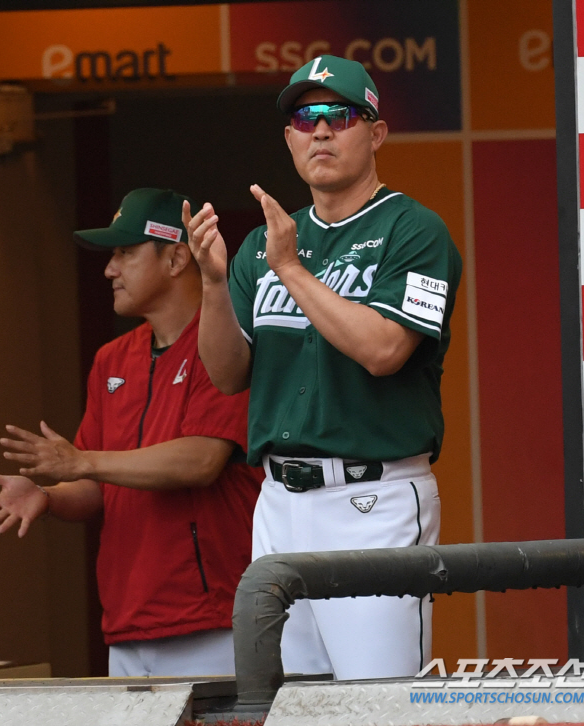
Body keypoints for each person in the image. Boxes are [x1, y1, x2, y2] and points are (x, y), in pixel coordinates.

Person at [184, 55, 462, 681]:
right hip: (280, 500)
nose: (321, 131)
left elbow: (386, 350)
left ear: (376, 132)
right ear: (289, 139)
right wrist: (212, 282)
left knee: (375, 703)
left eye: (340, 114)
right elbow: (227, 375)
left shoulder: (414, 230)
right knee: (288, 703)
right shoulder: (265, 243)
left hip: (375, 498)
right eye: (305, 118)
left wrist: (291, 270)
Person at [0, 188, 262, 677]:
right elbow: (95, 487)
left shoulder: (228, 341)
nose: (109, 269)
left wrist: (83, 462)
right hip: (128, 622)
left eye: (125, 252)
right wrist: (49, 496)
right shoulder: (112, 358)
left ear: (175, 258)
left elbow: (202, 461)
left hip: (215, 619)